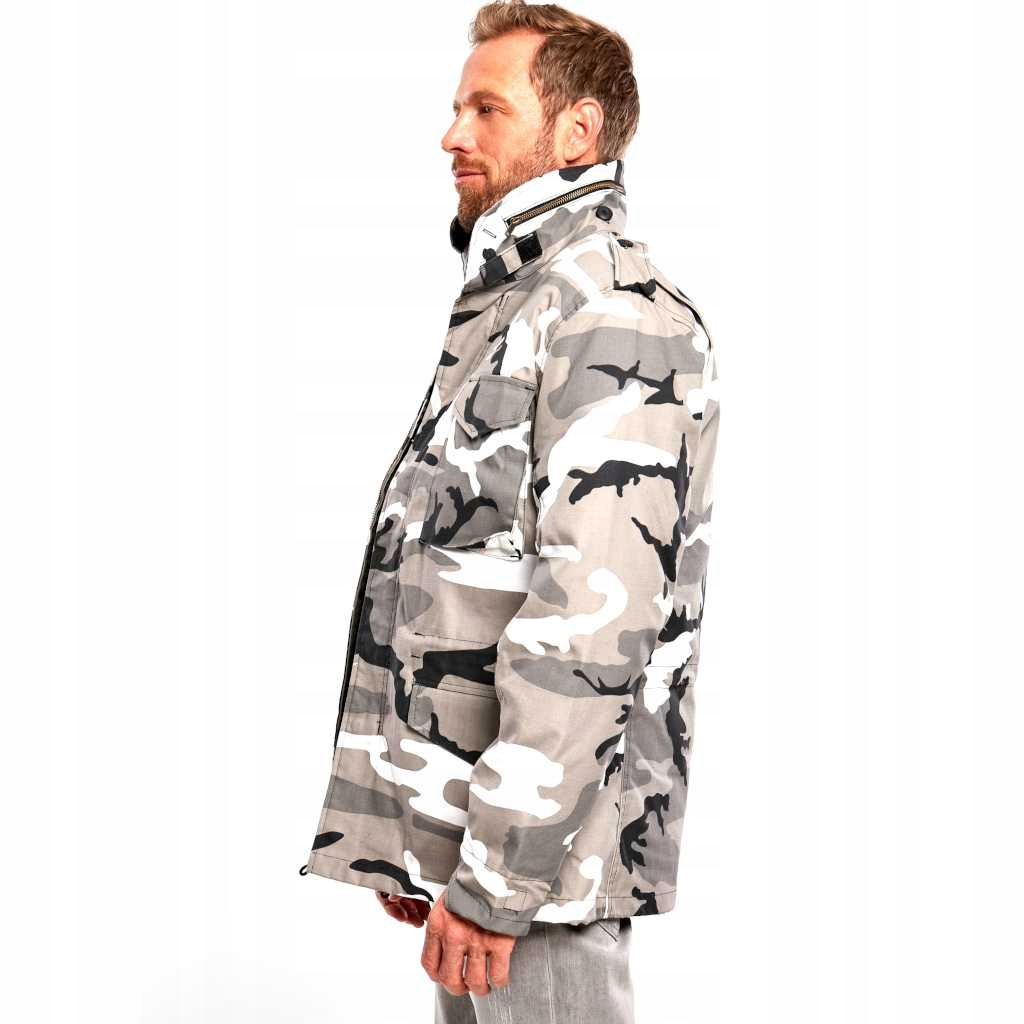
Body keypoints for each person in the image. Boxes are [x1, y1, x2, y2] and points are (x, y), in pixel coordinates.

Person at [300, 3, 721, 1021]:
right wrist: (425, 826)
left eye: (486, 109)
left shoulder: (609, 311)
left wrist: (499, 876)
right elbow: (459, 571)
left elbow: (590, 625)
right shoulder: (519, 302)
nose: (452, 133)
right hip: (492, 851)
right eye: (458, 108)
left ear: (577, 131)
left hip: (540, 871)